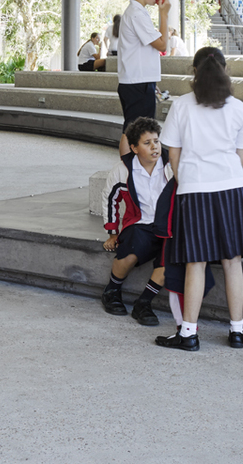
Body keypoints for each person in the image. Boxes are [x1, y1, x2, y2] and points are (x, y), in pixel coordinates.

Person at [155, 48, 243, 351]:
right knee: (232, 262)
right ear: (225, 70)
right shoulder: (238, 107)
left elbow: (172, 152)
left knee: (196, 263)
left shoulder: (182, 105)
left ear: (194, 71)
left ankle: (188, 334)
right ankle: (237, 331)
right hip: (233, 189)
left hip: (195, 189)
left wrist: (186, 178)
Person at [100, 116, 173, 327]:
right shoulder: (123, 169)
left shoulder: (171, 165)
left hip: (169, 225)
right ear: (133, 147)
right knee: (131, 250)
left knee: (171, 258)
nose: (154, 147)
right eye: (147, 143)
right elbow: (110, 199)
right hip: (140, 224)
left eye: (157, 141)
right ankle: (112, 290)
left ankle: (144, 303)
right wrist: (112, 233)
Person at [117, 0, 173, 157]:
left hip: (137, 79)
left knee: (134, 127)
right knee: (133, 129)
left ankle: (131, 167)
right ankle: (128, 169)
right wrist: (164, 15)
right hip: (137, 81)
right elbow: (162, 44)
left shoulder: (136, 12)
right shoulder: (137, 14)